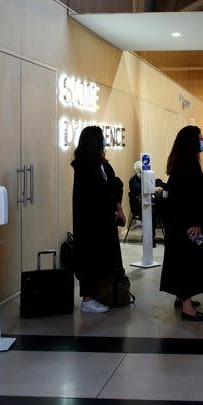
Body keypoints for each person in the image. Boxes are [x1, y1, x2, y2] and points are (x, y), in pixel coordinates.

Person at [160, 126, 203, 321]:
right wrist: (197, 222)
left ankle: (182, 297)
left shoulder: (181, 161)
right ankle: (187, 307)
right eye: (199, 138)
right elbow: (191, 198)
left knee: (181, 261)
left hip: (179, 224)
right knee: (189, 263)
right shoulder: (188, 164)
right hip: (188, 224)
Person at [71, 126, 126, 313]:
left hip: (105, 222)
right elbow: (94, 195)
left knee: (103, 259)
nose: (104, 141)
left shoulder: (102, 164)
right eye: (101, 138)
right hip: (90, 224)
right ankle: (87, 300)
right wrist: (110, 197)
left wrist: (118, 207)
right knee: (90, 258)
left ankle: (100, 294)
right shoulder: (84, 167)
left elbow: (115, 183)